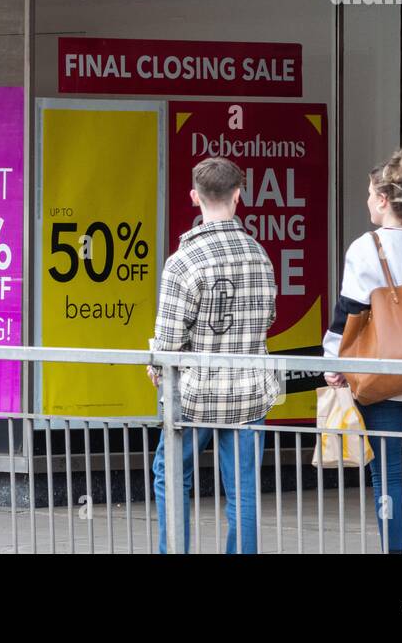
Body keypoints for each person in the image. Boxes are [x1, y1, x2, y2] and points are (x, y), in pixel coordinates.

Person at [324, 147, 402, 555]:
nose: (366, 201)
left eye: (368, 194)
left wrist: (333, 361)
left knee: (388, 471)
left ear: (383, 200)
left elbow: (350, 313)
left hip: (379, 376)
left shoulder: (365, 248)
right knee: (393, 461)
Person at [149, 157, 280, 554]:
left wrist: (157, 363)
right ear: (238, 196)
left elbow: (167, 340)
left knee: (170, 475)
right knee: (243, 490)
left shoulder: (182, 262)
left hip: (196, 395)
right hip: (249, 394)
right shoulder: (260, 257)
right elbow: (268, 318)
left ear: (194, 197)